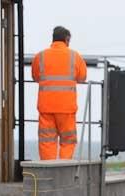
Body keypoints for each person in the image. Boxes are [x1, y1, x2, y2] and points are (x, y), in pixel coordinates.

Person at [31, 26, 87, 160]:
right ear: (67, 39)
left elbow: (35, 77)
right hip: (67, 108)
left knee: (47, 141)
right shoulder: (75, 56)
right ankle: (63, 168)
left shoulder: (40, 56)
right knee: (68, 141)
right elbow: (82, 78)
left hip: (46, 107)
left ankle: (48, 169)